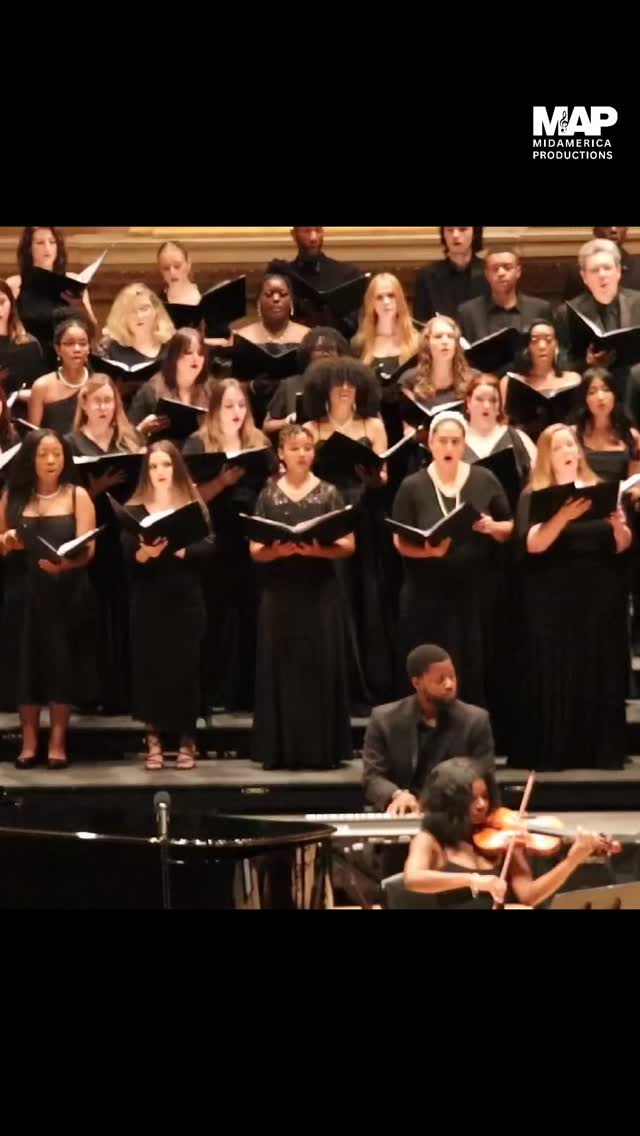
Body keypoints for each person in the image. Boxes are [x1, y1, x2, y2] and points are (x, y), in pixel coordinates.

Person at [513, 424, 631, 771]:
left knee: (598, 665)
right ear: (548, 455)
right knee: (558, 666)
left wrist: (618, 525)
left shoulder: (601, 489)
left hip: (598, 593)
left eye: (571, 444)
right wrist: (563, 516)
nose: (568, 451)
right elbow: (533, 545)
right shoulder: (535, 494)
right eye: (560, 446)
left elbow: (622, 545)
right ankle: (559, 749)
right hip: (552, 596)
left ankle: (600, 749)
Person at [392, 411, 512, 712]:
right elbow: (399, 540)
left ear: (463, 445)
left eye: (455, 441)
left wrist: (493, 528)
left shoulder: (484, 478)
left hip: (472, 592)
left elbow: (509, 526)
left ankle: (469, 736)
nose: (448, 447)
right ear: (430, 443)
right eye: (442, 441)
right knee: (428, 662)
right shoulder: (412, 485)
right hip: (426, 593)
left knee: (470, 662)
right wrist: (428, 552)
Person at [250, 424, 355, 770]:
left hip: (320, 592)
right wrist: (278, 553)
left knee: (319, 667)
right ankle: (281, 750)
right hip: (280, 595)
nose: (302, 454)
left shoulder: (329, 493)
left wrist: (316, 552)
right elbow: (255, 551)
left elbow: (348, 546)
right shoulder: (267, 495)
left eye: (307, 448)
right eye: (294, 448)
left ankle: (321, 749)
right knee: (281, 668)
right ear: (281, 453)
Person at [0, 429, 98, 766]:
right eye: (43, 454)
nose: (51, 460)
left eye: (57, 453)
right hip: (23, 591)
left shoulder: (77, 496)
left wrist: (67, 563)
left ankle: (57, 743)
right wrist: (7, 541)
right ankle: (28, 743)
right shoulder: (12, 496)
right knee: (25, 665)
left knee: (61, 664)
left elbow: (89, 550)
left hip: (64, 592)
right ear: (31, 458)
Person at [402, 757, 615, 909]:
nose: (482, 805)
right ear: (449, 803)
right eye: (472, 799)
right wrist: (473, 880)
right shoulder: (431, 840)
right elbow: (413, 878)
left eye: (485, 796)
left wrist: (572, 861)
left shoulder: (504, 837)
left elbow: (529, 896)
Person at [305, 358, 393, 703]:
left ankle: (368, 683)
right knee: (335, 594)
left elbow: (383, 475)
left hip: (365, 512)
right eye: (337, 382)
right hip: (330, 513)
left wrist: (374, 478)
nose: (344, 388)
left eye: (350, 383)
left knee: (366, 594)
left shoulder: (372, 425)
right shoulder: (312, 427)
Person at [183, 378, 273, 713]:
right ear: (214, 409)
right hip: (213, 538)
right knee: (215, 616)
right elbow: (189, 498)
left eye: (241, 405)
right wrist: (222, 481)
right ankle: (212, 692)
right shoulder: (198, 443)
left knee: (251, 614)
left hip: (250, 537)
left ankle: (247, 693)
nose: (236, 412)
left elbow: (269, 486)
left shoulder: (258, 441)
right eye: (228, 405)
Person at [122, 441, 213, 771]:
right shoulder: (134, 508)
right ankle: (154, 740)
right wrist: (143, 555)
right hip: (148, 600)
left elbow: (209, 548)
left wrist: (181, 552)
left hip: (185, 598)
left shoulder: (192, 505)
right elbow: (125, 558)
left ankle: (188, 740)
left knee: (185, 668)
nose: (160, 472)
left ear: (176, 468)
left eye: (166, 465)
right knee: (150, 669)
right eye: (154, 466)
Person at [67, 375, 144, 712]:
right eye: (95, 400)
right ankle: (91, 692)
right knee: (93, 614)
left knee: (125, 612)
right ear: (83, 404)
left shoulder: (129, 440)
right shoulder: (70, 444)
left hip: (125, 536)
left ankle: (124, 693)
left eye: (108, 401)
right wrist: (95, 490)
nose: (102, 407)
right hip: (91, 535)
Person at [362, 645, 495, 815]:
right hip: (401, 813)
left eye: (452, 677)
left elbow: (484, 777)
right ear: (417, 682)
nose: (449, 685)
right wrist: (397, 795)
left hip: (453, 817)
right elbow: (372, 778)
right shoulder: (384, 719)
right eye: (440, 679)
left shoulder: (475, 721)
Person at [555, 238, 640, 423]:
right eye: (594, 270)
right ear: (584, 277)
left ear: (618, 271)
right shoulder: (567, 312)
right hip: (589, 397)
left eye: (607, 268)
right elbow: (560, 363)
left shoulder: (638, 303)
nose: (602, 275)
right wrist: (586, 363)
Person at [6, 227, 97, 371]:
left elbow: (92, 329)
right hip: (33, 360)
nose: (47, 248)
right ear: (29, 249)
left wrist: (80, 306)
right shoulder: (15, 284)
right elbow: (8, 328)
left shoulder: (73, 281)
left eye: (52, 242)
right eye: (40, 243)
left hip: (72, 360)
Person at [457, 248, 553, 368]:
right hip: (483, 382)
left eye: (507, 267)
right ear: (487, 274)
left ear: (518, 271)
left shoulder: (539, 309)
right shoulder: (468, 312)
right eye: (495, 269)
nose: (501, 273)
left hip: (528, 380)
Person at [234, 272, 309, 426]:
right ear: (259, 302)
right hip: (249, 412)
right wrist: (251, 386)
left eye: (282, 294)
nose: (276, 299)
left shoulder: (308, 336)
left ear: (291, 302)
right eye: (269, 294)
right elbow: (229, 384)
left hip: (294, 415)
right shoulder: (240, 337)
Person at [268, 226, 361, 339]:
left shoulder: (346, 274)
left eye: (318, 230)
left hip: (334, 350)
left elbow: (353, 328)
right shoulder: (282, 276)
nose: (313, 238)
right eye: (307, 231)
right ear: (294, 234)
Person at [263, 326, 351, 438]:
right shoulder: (290, 385)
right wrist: (287, 421)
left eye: (331, 349)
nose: (325, 354)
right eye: (320, 349)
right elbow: (266, 426)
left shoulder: (350, 386)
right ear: (308, 354)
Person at [501, 321, 582, 442]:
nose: (542, 346)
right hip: (526, 448)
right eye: (535, 340)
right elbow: (503, 425)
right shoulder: (508, 382)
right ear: (528, 347)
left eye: (548, 340)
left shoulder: (574, 379)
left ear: (556, 345)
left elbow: (582, 422)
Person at [128, 327, 211, 443]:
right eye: (188, 352)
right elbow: (127, 438)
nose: (196, 358)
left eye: (201, 353)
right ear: (174, 357)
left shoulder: (209, 390)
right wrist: (142, 430)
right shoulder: (151, 390)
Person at [100, 283, 175, 403]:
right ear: (122, 316)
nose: (139, 316)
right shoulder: (110, 350)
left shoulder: (172, 347)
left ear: (156, 311)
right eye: (132, 311)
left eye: (144, 309)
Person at [156, 240, 232, 347]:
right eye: (166, 268)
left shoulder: (207, 293)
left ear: (188, 264)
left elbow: (225, 338)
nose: (172, 272)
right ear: (160, 270)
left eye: (177, 266)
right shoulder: (157, 303)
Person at [28, 318, 93, 436]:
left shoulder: (98, 384)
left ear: (89, 348)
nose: (77, 349)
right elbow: (33, 437)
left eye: (83, 344)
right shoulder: (42, 386)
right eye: (69, 344)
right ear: (58, 349)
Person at [574, 367, 640, 483]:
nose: (600, 397)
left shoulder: (632, 436)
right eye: (592, 392)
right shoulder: (573, 434)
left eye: (606, 390)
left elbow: (634, 483)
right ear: (585, 399)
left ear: (614, 395)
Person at [413, 227, 488, 323]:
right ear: (443, 234)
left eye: (462, 229)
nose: (455, 235)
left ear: (475, 233)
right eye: (450, 230)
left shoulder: (489, 272)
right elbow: (421, 324)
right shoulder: (426, 276)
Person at [464, 373, 536, 472]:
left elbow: (537, 478)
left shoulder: (518, 438)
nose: (486, 406)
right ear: (468, 402)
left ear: (500, 405)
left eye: (493, 400)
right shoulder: (455, 439)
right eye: (479, 399)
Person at [563, 227, 640, 299]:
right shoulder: (578, 270)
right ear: (595, 230)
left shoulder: (637, 267)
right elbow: (572, 309)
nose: (613, 229)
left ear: (626, 229)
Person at [0, 280, 43, 396]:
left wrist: (16, 395)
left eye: (1, 302)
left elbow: (37, 392)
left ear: (11, 304)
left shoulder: (29, 345)